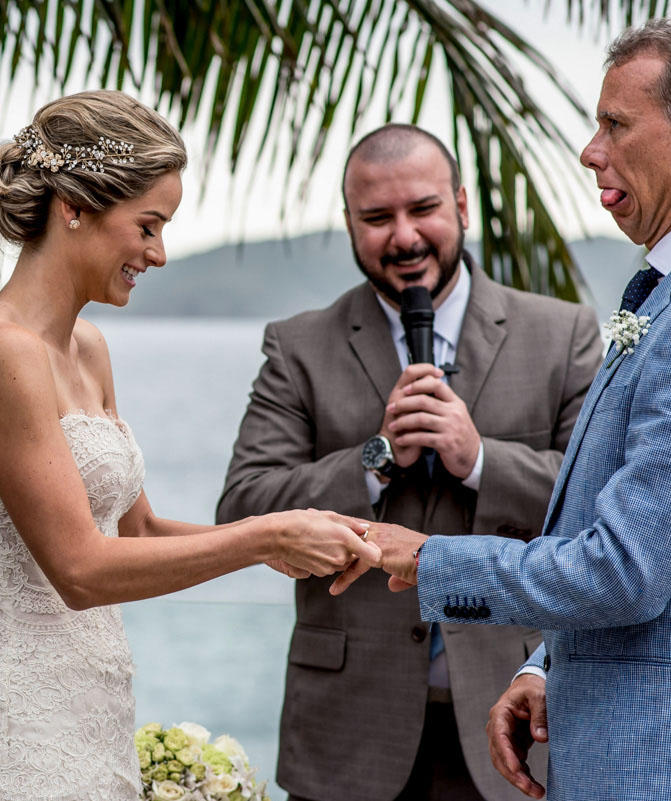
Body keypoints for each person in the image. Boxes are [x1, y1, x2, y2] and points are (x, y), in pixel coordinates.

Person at [0, 90, 380, 801]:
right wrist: (262, 532)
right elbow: (80, 568)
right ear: (74, 208)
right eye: (148, 225)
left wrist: (295, 540)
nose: (158, 253)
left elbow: (141, 530)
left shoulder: (88, 349)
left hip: (97, 721)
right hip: (19, 741)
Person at [335, 19, 671, 801]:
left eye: (615, 124)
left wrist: (427, 558)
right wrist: (546, 665)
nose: (592, 150)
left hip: (669, 762)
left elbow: (626, 569)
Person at [216, 123, 603, 801]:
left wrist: (479, 457)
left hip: (511, 727)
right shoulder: (298, 345)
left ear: (459, 203)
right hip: (346, 733)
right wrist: (376, 457)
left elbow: (598, 509)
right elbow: (245, 508)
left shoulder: (562, 333)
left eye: (422, 209)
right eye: (376, 218)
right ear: (349, 224)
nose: (403, 236)